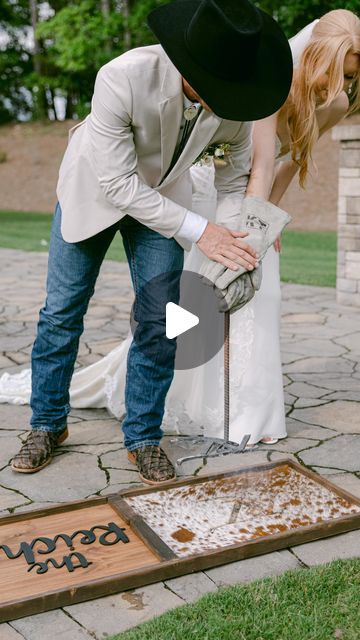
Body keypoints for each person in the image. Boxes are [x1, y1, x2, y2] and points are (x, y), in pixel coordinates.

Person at [6, 0, 293, 482]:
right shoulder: (122, 76)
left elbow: (233, 180)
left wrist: (238, 245)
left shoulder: (231, 106)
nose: (230, 98)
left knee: (162, 317)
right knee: (62, 311)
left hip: (163, 199)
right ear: (192, 67)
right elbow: (118, 184)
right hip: (94, 192)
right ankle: (47, 424)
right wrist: (202, 233)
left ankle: (143, 436)